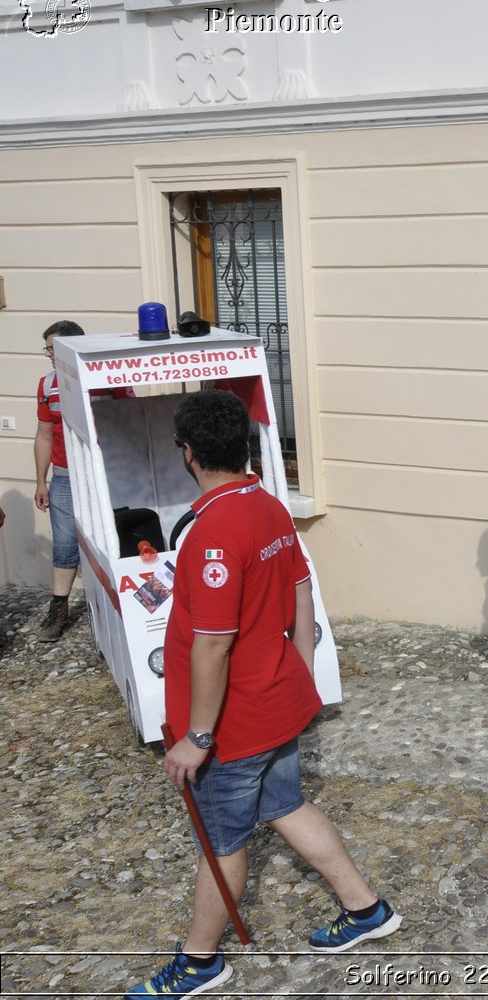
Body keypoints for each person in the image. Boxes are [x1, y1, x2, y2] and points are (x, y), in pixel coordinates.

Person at [126, 390, 400, 997]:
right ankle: (367, 910)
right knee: (285, 806)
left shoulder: (213, 531)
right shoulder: (269, 505)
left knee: (222, 844)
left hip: (236, 723)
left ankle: (201, 963)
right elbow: (302, 591)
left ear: (189, 453)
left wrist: (198, 737)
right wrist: (297, 674)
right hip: (276, 702)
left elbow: (213, 645)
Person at [34, 320, 134, 641]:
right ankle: (59, 609)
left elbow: (131, 419)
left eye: (55, 348)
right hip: (64, 478)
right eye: (47, 348)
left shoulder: (105, 374)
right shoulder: (47, 384)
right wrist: (40, 480)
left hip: (105, 473)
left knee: (113, 538)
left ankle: (125, 606)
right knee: (64, 545)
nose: (50, 355)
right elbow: (44, 434)